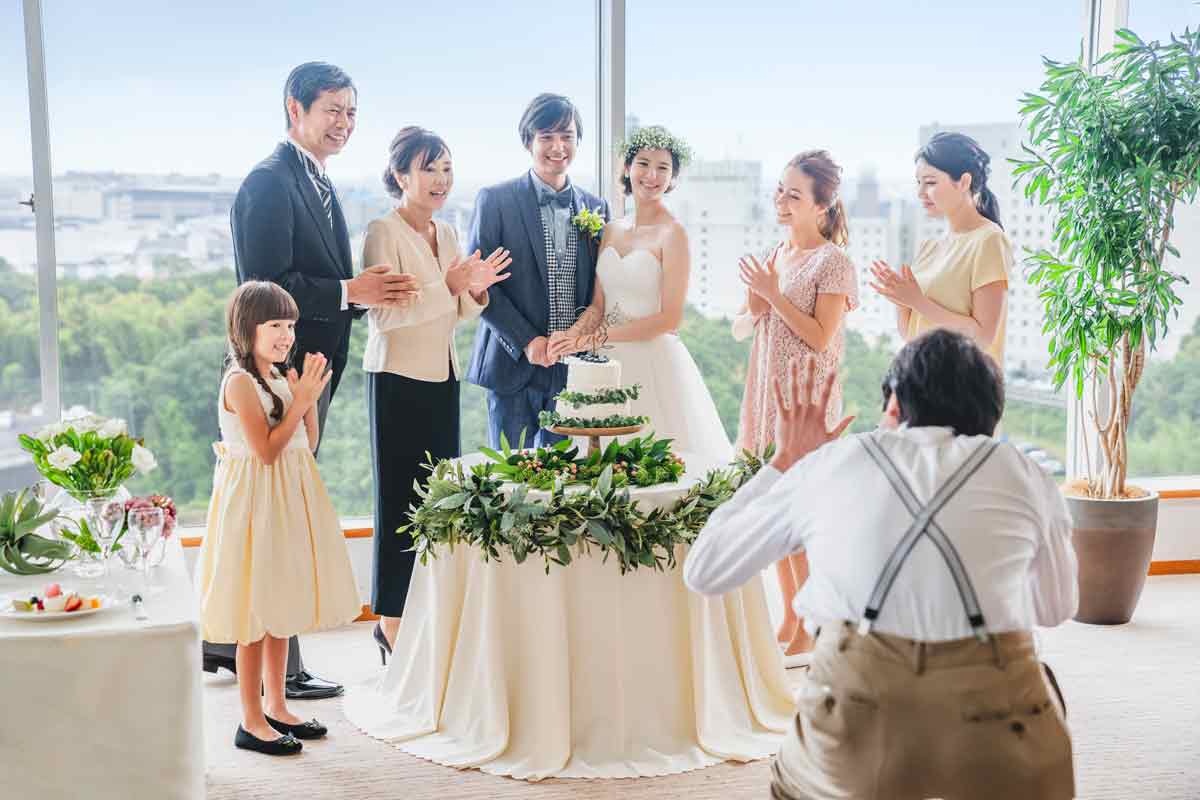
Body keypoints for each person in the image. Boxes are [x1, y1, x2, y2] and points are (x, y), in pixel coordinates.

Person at [684, 330, 1077, 800]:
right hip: (1000, 722)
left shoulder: (834, 462)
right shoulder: (1024, 471)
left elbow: (704, 570)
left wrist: (785, 461)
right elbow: (1055, 609)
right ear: (990, 418)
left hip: (854, 714)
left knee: (794, 782)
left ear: (894, 405)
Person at [212, 61, 418, 699]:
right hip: (280, 374)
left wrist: (357, 296)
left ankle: (254, 656)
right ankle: (271, 669)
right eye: (333, 109)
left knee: (287, 512)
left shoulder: (321, 182)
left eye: (352, 112)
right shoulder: (269, 184)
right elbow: (263, 287)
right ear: (294, 109)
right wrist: (349, 289)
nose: (345, 123)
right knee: (273, 518)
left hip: (309, 369)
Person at [361, 126, 511, 662]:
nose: (441, 180)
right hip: (397, 379)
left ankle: (428, 612)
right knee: (398, 502)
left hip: (441, 377)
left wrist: (474, 291)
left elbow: (456, 311)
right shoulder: (384, 231)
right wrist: (448, 287)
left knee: (438, 501)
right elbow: (383, 315)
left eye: (446, 169)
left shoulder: (446, 233)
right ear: (401, 175)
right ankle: (390, 622)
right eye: (429, 169)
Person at [195, 281, 362, 756]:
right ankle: (250, 720)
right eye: (275, 325)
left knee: (280, 603)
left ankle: (277, 704)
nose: (287, 334)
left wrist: (305, 396)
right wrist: (303, 399)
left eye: (290, 325)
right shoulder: (240, 383)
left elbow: (304, 445)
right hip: (255, 504)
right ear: (247, 329)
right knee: (254, 610)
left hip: (286, 499)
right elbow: (266, 451)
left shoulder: (279, 376)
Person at [732, 150, 859, 660]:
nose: (781, 202)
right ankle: (788, 615)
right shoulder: (775, 254)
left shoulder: (834, 262)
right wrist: (758, 304)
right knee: (773, 515)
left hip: (806, 406)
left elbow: (819, 337)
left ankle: (808, 621)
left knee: (800, 518)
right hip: (765, 399)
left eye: (794, 194)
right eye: (779, 191)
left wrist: (773, 297)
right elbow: (744, 326)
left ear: (823, 206)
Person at [547, 125, 730, 463]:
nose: (652, 175)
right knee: (597, 466)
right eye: (644, 163)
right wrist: (572, 336)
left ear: (673, 177)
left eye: (663, 167)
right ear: (628, 168)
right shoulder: (612, 229)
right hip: (604, 365)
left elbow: (670, 319)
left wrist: (594, 338)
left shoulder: (673, 234)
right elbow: (598, 305)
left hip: (652, 361)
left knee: (650, 464)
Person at [465, 93, 610, 449]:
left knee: (565, 485)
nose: (558, 146)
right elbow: (482, 288)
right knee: (510, 482)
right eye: (547, 137)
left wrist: (575, 339)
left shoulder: (595, 207)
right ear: (528, 141)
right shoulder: (495, 200)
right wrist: (528, 342)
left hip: (571, 370)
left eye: (567, 136)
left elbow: (599, 288)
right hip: (513, 366)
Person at [869, 131, 1011, 366]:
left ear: (964, 182)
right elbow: (910, 334)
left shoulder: (989, 240)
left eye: (931, 182)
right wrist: (901, 299)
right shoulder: (929, 248)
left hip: (964, 388)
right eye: (918, 183)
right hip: (922, 382)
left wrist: (917, 301)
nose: (921, 193)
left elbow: (983, 337)